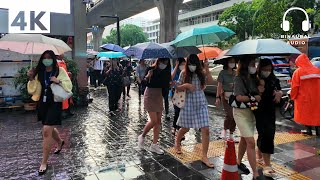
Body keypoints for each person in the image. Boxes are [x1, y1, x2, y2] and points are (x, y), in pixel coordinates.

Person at [27, 50, 72, 175]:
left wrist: (58, 81)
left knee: (46, 130)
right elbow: (33, 90)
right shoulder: (39, 72)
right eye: (44, 58)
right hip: (43, 103)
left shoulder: (59, 71)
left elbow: (69, 85)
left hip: (54, 103)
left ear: (53, 59)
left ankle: (44, 162)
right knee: (48, 126)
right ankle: (59, 142)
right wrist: (31, 78)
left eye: (49, 57)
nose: (47, 60)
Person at [174, 55, 215, 168]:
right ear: (187, 64)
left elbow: (211, 81)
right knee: (185, 128)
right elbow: (177, 88)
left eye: (195, 64)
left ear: (198, 64)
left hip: (201, 103)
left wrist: (207, 68)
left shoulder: (201, 72)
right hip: (188, 103)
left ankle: (204, 156)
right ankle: (177, 142)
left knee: (205, 129)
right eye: (190, 64)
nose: (192, 66)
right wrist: (186, 85)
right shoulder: (184, 73)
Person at [233, 57, 261, 179]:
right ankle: (255, 172)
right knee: (251, 141)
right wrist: (254, 98)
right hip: (240, 113)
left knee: (244, 139)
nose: (253, 66)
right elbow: (239, 97)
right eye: (251, 64)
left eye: (254, 64)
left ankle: (238, 162)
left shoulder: (255, 78)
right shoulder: (239, 78)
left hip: (251, 113)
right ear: (245, 65)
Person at [254, 58, 282, 177]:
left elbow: (279, 90)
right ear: (260, 69)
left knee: (268, 134)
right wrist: (258, 91)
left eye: (269, 69)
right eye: (265, 69)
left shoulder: (274, 79)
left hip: (270, 111)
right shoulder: (255, 79)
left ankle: (260, 155)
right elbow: (250, 94)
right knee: (265, 133)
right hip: (259, 110)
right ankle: (267, 165)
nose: (267, 71)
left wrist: (280, 93)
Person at [138, 58, 171, 154]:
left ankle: (154, 145)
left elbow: (166, 84)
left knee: (158, 121)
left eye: (166, 62)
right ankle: (142, 136)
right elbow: (143, 83)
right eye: (162, 62)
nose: (164, 64)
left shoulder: (166, 71)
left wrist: (170, 84)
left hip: (159, 95)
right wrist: (148, 76)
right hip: (150, 94)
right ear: (158, 61)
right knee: (153, 120)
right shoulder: (150, 69)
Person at [291, 54, 320, 136]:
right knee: (317, 114)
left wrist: (293, 96)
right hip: (317, 98)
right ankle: (318, 131)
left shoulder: (298, 72)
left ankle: (309, 131)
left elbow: (295, 87)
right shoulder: (317, 70)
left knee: (306, 115)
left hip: (304, 98)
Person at [215, 57, 237, 139]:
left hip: (234, 96)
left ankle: (231, 134)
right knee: (230, 114)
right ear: (227, 63)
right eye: (231, 62)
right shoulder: (222, 73)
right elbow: (219, 85)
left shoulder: (236, 73)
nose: (232, 63)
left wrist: (234, 85)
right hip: (225, 96)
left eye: (233, 62)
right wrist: (217, 97)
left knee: (235, 115)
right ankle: (224, 129)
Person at [170, 58, 186, 135]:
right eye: (181, 64)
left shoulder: (186, 72)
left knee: (181, 112)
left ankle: (179, 129)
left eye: (184, 63)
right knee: (177, 111)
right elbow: (171, 79)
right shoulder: (175, 70)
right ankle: (174, 127)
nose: (183, 65)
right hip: (175, 93)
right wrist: (176, 66)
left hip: (184, 94)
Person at [56, 54, 74, 119]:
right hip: (61, 82)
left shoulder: (63, 62)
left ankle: (68, 110)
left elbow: (64, 71)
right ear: (57, 56)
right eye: (61, 54)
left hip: (66, 81)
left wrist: (68, 73)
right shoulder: (56, 63)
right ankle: (62, 112)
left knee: (68, 97)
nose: (63, 55)